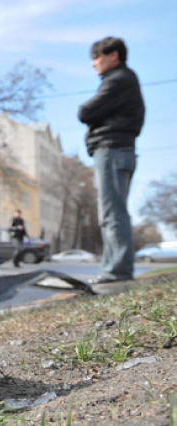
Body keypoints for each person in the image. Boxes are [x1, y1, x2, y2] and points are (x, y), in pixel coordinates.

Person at [78, 36, 144, 284]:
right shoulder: (123, 79)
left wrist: (92, 120)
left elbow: (85, 112)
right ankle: (116, 268)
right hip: (119, 151)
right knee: (114, 211)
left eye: (96, 57)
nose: (93, 64)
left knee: (112, 213)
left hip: (113, 151)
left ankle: (116, 271)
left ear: (113, 55)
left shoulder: (119, 79)